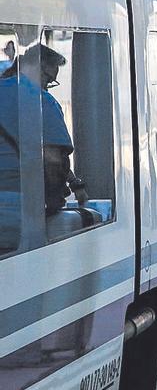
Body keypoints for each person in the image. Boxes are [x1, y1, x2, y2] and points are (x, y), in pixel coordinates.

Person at [0, 45, 87, 253]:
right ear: (37, 68)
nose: (47, 87)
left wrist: (74, 181)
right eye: (49, 80)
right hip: (17, 208)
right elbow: (53, 159)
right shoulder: (41, 100)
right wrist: (55, 200)